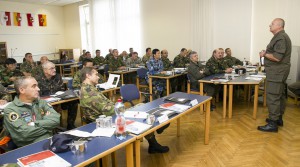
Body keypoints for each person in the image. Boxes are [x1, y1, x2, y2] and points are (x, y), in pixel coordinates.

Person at [80, 67, 169, 154]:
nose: (98, 77)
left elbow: (106, 106)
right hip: (105, 122)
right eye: (96, 74)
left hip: (109, 116)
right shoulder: (89, 92)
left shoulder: (89, 88)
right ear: (88, 76)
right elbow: (109, 111)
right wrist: (127, 110)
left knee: (140, 107)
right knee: (140, 113)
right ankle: (155, 134)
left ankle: (154, 137)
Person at [3, 76, 60, 147]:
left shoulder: (41, 102)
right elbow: (24, 134)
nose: (38, 89)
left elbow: (56, 120)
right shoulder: (11, 110)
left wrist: (34, 124)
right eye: (34, 86)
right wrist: (48, 125)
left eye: (37, 86)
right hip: (29, 147)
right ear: (22, 90)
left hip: (50, 141)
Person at [257, 18, 292, 132]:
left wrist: (264, 54)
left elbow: (277, 57)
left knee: (272, 97)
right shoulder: (280, 36)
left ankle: (273, 124)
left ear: (279, 26)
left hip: (276, 72)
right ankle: (278, 119)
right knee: (279, 95)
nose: (269, 25)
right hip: (279, 72)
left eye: (272, 24)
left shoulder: (281, 37)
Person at [35, 61, 78, 130]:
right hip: (45, 103)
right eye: (51, 68)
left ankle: (70, 124)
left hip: (58, 99)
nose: (54, 70)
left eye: (54, 68)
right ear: (45, 70)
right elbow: (37, 95)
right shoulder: (37, 79)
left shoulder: (57, 76)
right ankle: (53, 128)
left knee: (74, 102)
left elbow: (62, 89)